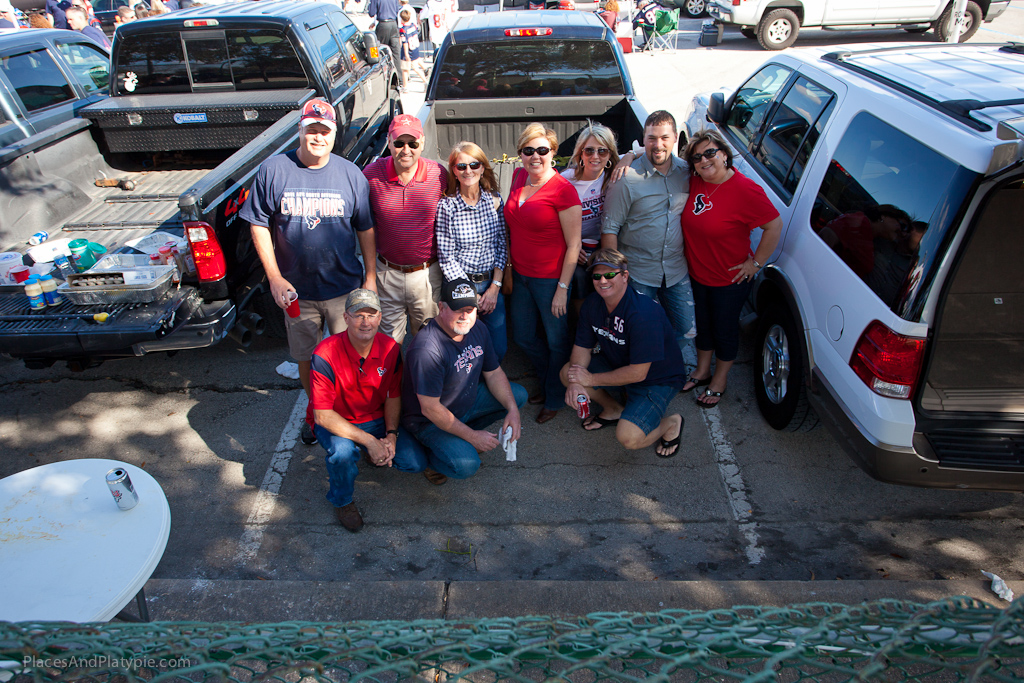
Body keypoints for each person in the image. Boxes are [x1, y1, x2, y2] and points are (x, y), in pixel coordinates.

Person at [240, 99, 376, 446]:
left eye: (324, 131)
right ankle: (317, 410)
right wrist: (274, 277)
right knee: (307, 357)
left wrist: (371, 277)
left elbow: (365, 228)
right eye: (311, 129)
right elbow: (258, 224)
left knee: (349, 356)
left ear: (334, 134)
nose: (318, 137)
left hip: (343, 288)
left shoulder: (351, 175)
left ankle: (346, 411)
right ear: (300, 131)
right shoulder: (274, 170)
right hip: (296, 292)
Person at [680, 129, 782, 407]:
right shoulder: (695, 181)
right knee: (703, 326)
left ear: (724, 154)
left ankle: (719, 380)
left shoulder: (745, 190)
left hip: (729, 281)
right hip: (697, 275)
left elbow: (773, 226)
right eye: (697, 157)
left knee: (724, 330)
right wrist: (630, 155)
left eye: (710, 152)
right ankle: (702, 370)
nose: (704, 160)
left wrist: (755, 263)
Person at [399, 278, 527, 485]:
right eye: (458, 309)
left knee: (517, 396)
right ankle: (432, 459)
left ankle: (460, 437)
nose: (465, 316)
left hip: (464, 403)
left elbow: (494, 373)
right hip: (429, 421)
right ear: (441, 307)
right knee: (467, 464)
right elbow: (431, 409)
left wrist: (513, 411)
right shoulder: (427, 349)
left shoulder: (477, 328)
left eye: (470, 309)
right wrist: (473, 437)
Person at [561, 249, 686, 457]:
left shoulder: (643, 314)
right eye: (597, 276)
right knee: (568, 372)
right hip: (618, 364)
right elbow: (582, 347)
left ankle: (672, 423)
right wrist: (575, 381)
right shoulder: (592, 303)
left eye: (610, 274)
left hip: (656, 379)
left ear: (625, 276)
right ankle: (613, 409)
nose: (602, 281)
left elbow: (638, 373)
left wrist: (590, 379)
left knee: (630, 438)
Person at [309, 289, 411, 532]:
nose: (366, 322)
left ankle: (369, 451)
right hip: (337, 421)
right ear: (346, 317)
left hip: (374, 418)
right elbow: (322, 415)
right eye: (358, 315)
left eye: (371, 315)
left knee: (412, 461)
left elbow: (393, 395)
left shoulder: (391, 349)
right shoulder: (324, 353)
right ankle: (342, 500)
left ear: (380, 317)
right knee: (343, 454)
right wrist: (370, 441)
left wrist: (391, 434)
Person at [602, 110, 694, 368]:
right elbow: (609, 229)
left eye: (664, 138)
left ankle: (664, 366)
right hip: (638, 272)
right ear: (643, 139)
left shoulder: (687, 172)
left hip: (676, 269)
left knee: (687, 329)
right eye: (651, 138)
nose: (658, 144)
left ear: (675, 138)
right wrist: (616, 275)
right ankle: (642, 373)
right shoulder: (626, 177)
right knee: (640, 331)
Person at [504, 123, 582, 424]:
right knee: (524, 337)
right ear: (520, 153)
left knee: (557, 341)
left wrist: (563, 288)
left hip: (550, 280)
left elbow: (574, 244)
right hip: (521, 276)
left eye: (542, 150)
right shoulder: (518, 176)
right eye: (528, 150)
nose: (535, 156)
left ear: (553, 153)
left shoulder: (563, 190)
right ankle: (549, 378)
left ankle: (554, 396)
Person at [363, 114, 448, 345]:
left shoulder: (439, 174)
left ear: (422, 142)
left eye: (413, 143)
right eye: (399, 143)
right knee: (387, 344)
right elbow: (364, 225)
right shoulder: (371, 175)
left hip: (426, 275)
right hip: (387, 273)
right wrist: (370, 275)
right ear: (389, 143)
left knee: (428, 342)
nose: (406, 150)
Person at [436, 141, 509, 359]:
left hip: (491, 283)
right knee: (462, 348)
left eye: (474, 165)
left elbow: (501, 245)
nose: (468, 171)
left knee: (498, 348)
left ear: (483, 168)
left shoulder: (494, 201)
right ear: (454, 171)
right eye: (461, 166)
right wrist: (470, 294)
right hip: (460, 284)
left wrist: (494, 287)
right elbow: (446, 258)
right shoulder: (447, 206)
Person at [561, 122, 620, 313]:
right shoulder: (566, 180)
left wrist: (630, 156)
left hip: (603, 245)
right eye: (589, 151)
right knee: (579, 277)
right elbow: (552, 219)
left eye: (602, 151)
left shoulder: (613, 177)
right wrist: (570, 246)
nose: (595, 156)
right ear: (580, 154)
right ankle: (583, 322)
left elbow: (642, 150)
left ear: (610, 155)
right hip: (575, 246)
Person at [366, 0, 403, 87]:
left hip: (383, 24)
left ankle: (381, 77)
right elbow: (396, 10)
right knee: (396, 53)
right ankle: (400, 80)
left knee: (380, 52)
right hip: (393, 24)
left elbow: (371, 13)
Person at [398, 7, 429, 87]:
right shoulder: (413, 25)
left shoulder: (403, 30)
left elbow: (405, 43)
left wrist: (406, 54)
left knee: (405, 70)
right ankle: (425, 80)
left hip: (408, 51)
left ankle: (405, 86)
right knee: (415, 67)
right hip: (415, 49)